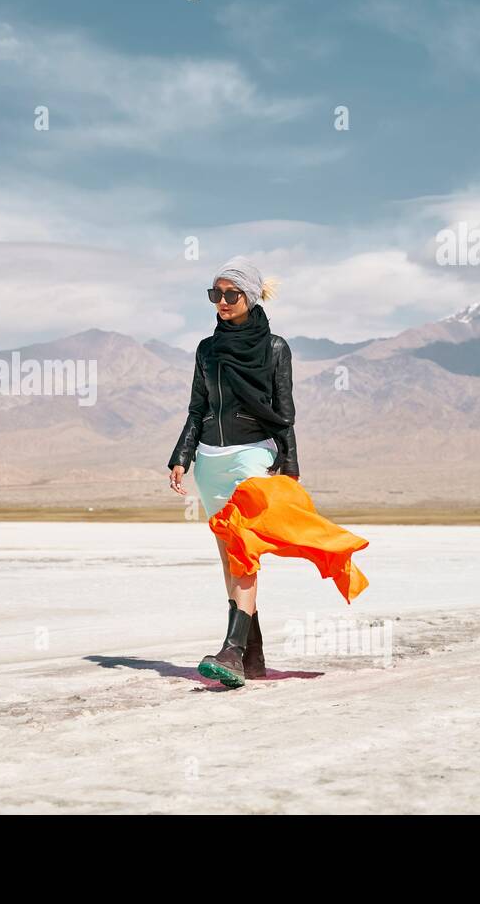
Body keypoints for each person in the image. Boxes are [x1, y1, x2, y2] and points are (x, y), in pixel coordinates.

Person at [170, 255, 358, 690]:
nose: (221, 301)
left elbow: (284, 413)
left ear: (250, 297)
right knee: (227, 559)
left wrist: (289, 464)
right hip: (210, 462)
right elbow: (198, 408)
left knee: (245, 548)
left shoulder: (275, 349)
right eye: (214, 294)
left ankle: (232, 651)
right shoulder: (207, 349)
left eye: (229, 294)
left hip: (252, 455)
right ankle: (252, 658)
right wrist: (181, 455)